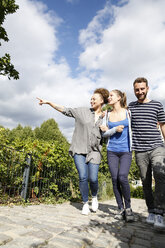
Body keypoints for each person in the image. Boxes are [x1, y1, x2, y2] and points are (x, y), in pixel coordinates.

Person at [37, 88, 117, 215]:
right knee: (83, 177)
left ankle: (94, 196)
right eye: (90, 99)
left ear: (102, 100)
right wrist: (48, 102)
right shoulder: (82, 111)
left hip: (95, 151)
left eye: (94, 99)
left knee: (93, 178)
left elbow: (110, 132)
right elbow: (65, 110)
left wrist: (106, 128)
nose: (91, 101)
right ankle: (85, 203)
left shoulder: (106, 116)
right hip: (79, 148)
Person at [128, 77, 165, 229]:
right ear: (134, 90)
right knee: (145, 181)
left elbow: (163, 125)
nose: (140, 92)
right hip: (140, 150)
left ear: (147, 88)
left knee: (160, 175)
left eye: (142, 89)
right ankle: (151, 210)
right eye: (137, 89)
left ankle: (160, 213)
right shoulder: (131, 107)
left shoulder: (157, 105)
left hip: (157, 146)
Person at [100, 89, 134, 222]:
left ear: (119, 98)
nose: (109, 98)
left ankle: (129, 208)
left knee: (122, 177)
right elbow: (104, 134)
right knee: (114, 179)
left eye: (111, 96)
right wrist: (113, 129)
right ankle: (120, 208)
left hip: (126, 150)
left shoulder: (128, 112)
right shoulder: (107, 115)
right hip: (112, 151)